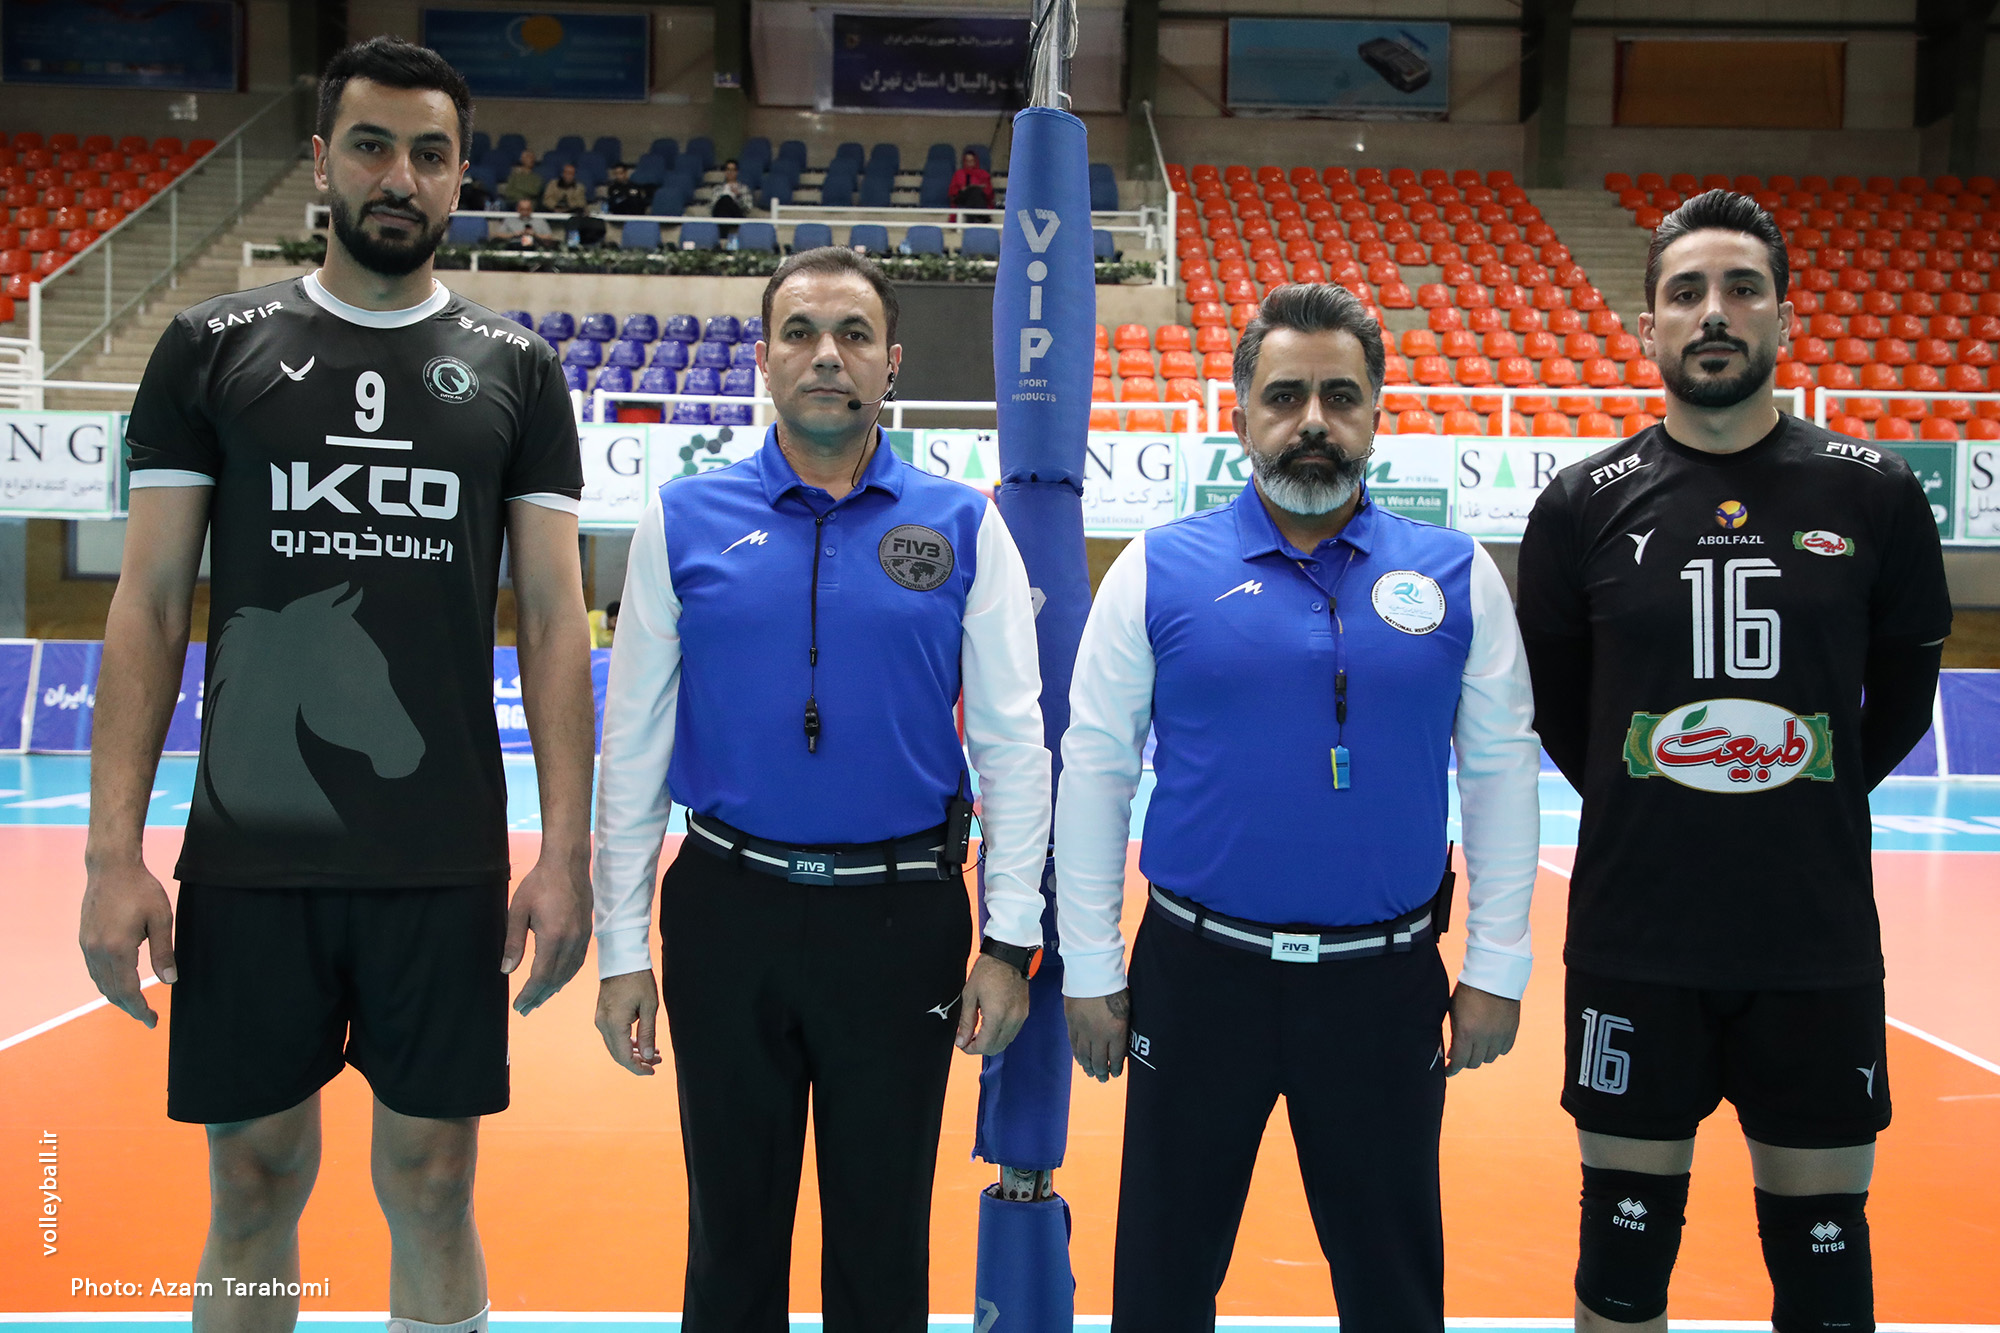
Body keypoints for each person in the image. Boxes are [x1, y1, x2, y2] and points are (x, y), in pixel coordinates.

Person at [79, 36, 595, 1333]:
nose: (398, 177)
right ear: (321, 161)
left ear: (460, 176)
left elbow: (550, 619)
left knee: (433, 1182)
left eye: (429, 154)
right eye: (371, 145)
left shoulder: (518, 370)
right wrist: (110, 855)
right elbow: (149, 602)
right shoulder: (209, 348)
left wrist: (567, 853)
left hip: (441, 858)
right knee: (252, 1179)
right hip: (253, 861)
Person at [1055, 281, 1541, 1332]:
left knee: (1392, 1290)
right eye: (1284, 397)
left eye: (1339, 396)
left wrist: (1496, 967)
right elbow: (1093, 770)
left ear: (1376, 413)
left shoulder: (1457, 575)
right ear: (1239, 415)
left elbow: (1501, 774)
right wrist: (1089, 965)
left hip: (1383, 987)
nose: (1312, 420)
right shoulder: (1156, 569)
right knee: (1159, 1284)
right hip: (1196, 980)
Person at [592, 245, 1052, 1332]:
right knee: (730, 1243)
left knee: (882, 1249)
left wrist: (1008, 940)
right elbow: (634, 748)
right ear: (763, 359)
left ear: (892, 362)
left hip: (900, 924)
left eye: (853, 334)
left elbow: (1012, 744)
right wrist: (620, 949)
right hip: (727, 914)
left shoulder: (963, 523)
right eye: (799, 332)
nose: (827, 355)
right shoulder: (682, 519)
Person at [1514, 190, 1951, 1333]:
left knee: (1824, 1278)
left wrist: (1792, 793)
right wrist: (1664, 794)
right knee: (1618, 1274)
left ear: (1782, 317)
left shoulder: (1874, 493)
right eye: (1686, 292)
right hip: (1635, 944)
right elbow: (1562, 717)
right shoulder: (1579, 505)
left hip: (1811, 944)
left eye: (1740, 288)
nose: (1713, 312)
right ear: (1646, 324)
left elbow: (1897, 708)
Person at [708, 158, 753, 237]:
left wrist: (738, 196)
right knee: (724, 200)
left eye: (733, 170)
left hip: (736, 215)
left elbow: (748, 208)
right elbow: (712, 207)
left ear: (737, 172)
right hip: (720, 213)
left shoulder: (743, 188)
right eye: (728, 170)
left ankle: (723, 236)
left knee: (727, 199)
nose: (730, 172)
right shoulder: (718, 189)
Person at [949, 148, 994, 216]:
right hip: (962, 197)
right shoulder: (958, 173)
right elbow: (952, 191)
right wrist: (961, 189)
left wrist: (981, 188)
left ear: (975, 161)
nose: (969, 163)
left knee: (975, 191)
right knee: (973, 191)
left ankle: (971, 217)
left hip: (978, 197)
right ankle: (983, 217)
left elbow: (989, 192)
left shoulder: (983, 174)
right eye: (967, 161)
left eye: (971, 161)